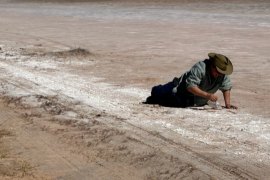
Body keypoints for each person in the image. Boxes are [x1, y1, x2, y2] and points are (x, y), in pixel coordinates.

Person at [145, 53, 237, 109]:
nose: (220, 75)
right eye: (218, 72)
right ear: (212, 66)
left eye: (222, 73)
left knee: (181, 103)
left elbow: (226, 87)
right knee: (156, 93)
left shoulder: (222, 74)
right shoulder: (201, 67)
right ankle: (155, 94)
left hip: (192, 99)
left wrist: (228, 104)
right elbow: (190, 86)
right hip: (178, 89)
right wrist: (208, 95)